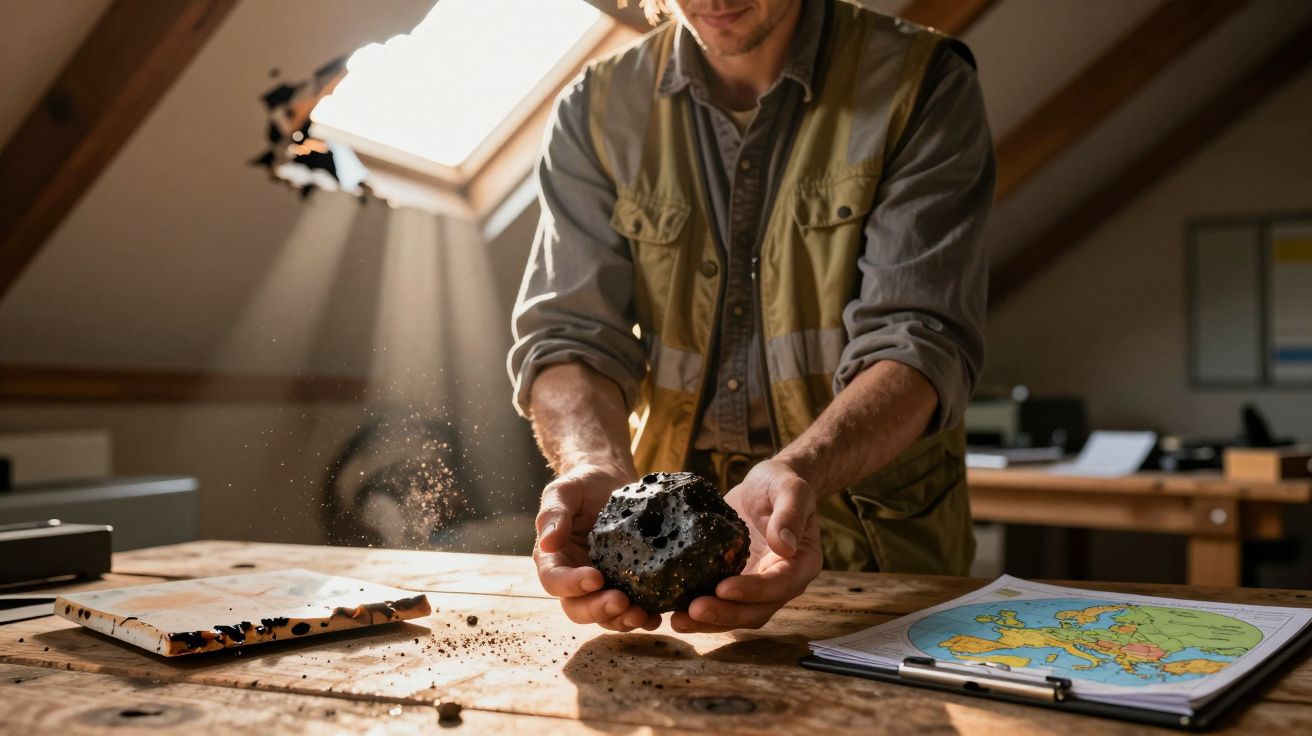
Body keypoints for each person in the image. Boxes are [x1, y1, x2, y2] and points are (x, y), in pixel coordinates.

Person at [508, 0, 993, 633]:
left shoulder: (920, 82)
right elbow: (568, 335)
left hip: (880, 567)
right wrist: (592, 465)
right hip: (657, 593)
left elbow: (920, 342)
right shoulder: (593, 108)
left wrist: (799, 472)